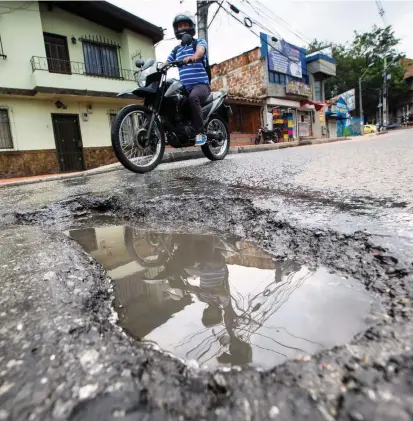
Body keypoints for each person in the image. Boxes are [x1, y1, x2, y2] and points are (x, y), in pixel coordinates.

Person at [166, 12, 210, 146]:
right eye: (179, 26)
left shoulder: (198, 42)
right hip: (185, 88)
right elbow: (166, 63)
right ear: (176, 29)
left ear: (191, 26)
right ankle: (184, 131)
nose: (182, 27)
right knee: (175, 102)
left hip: (201, 85)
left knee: (193, 98)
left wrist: (194, 56)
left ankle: (201, 133)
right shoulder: (176, 50)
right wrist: (158, 68)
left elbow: (201, 51)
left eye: (185, 24)